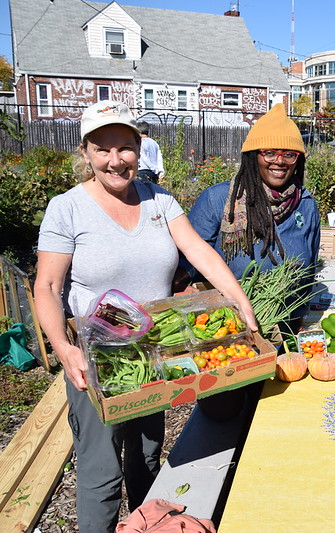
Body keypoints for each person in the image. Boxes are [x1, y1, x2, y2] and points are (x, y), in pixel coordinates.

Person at [33, 100, 257, 533]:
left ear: (139, 148)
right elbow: (46, 287)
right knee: (101, 472)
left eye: (125, 147)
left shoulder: (160, 201)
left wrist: (239, 301)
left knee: (147, 456)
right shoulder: (68, 208)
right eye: (103, 149)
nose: (115, 161)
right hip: (98, 360)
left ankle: (144, 524)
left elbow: (200, 251)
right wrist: (63, 349)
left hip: (155, 354)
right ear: (86, 153)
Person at [178, 103, 320, 334]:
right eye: (269, 152)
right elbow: (186, 264)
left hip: (285, 329)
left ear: (298, 161)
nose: (279, 161)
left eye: (289, 154)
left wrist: (297, 319)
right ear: (253, 156)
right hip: (228, 328)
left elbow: (309, 269)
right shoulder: (218, 200)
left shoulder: (305, 204)